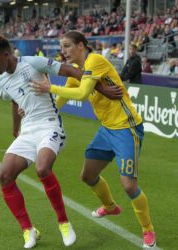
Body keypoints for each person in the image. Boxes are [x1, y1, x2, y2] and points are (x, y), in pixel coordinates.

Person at [0, 34, 121, 249]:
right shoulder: (1, 78)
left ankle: (64, 223)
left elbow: (73, 71)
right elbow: (15, 102)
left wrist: (103, 89)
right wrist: (15, 129)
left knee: (43, 168)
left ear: (6, 55)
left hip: (49, 125)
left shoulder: (32, 62)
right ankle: (28, 230)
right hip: (28, 130)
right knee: (4, 175)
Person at [30, 30, 156, 249]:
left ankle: (148, 232)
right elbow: (62, 98)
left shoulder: (95, 60)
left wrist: (49, 87)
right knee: (88, 175)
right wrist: (42, 112)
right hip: (107, 129)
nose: (64, 51)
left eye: (67, 46)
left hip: (127, 128)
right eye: (62, 47)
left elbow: (81, 94)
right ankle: (109, 206)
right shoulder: (75, 71)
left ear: (81, 45)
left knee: (128, 185)